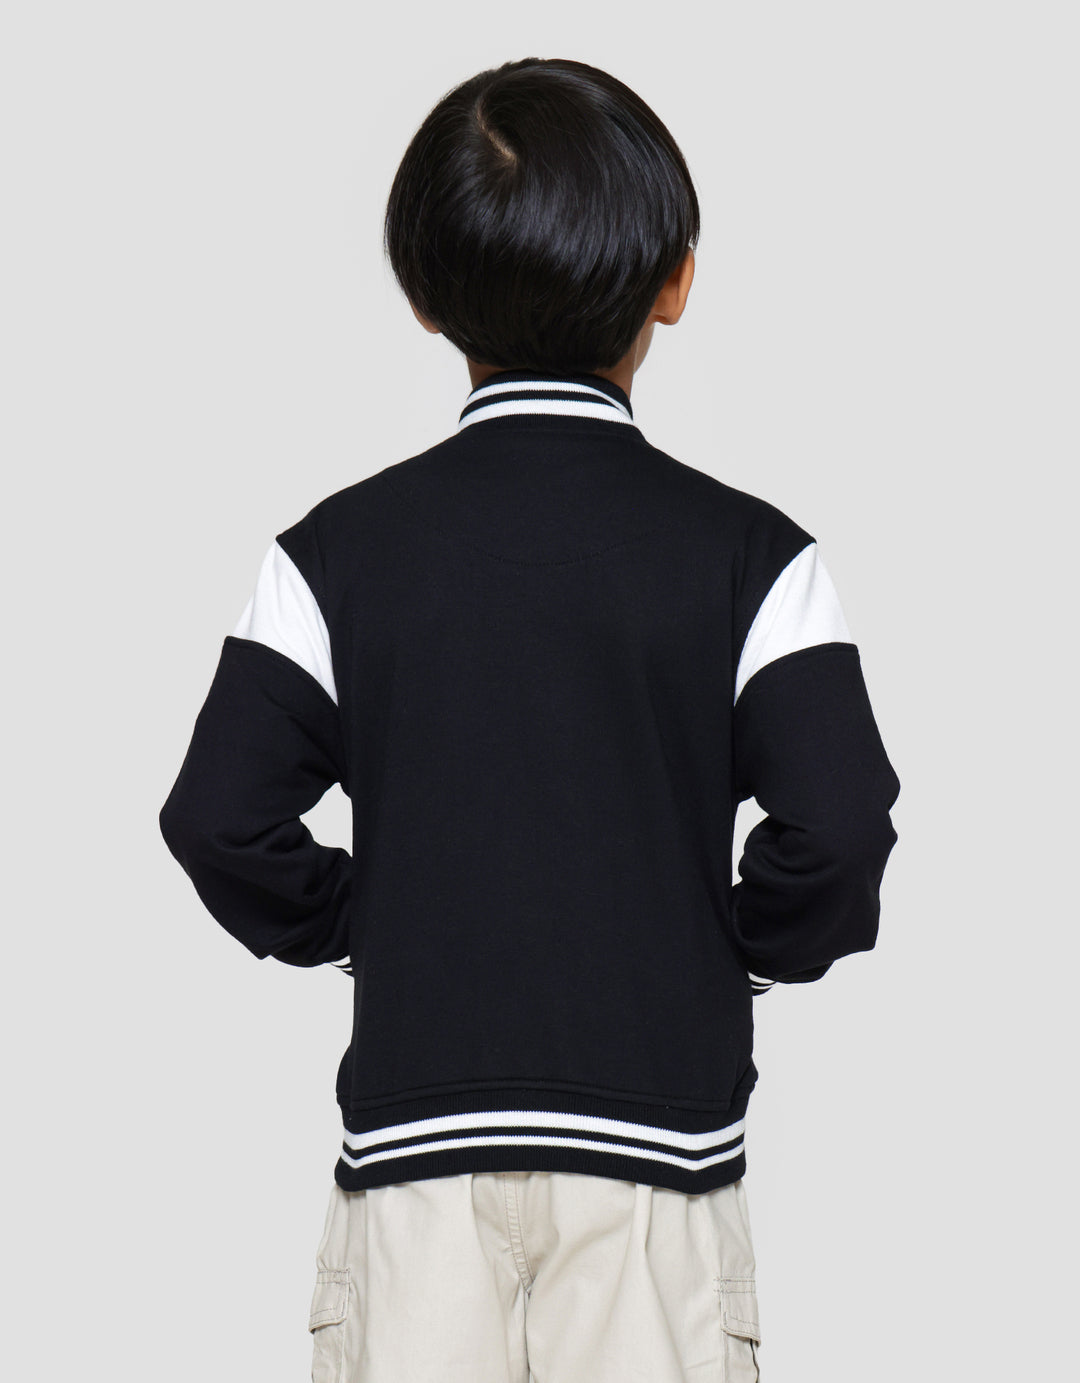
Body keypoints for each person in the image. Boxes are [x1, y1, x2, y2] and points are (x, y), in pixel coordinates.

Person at [159, 55, 900, 1383]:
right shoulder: (754, 560)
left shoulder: (331, 555)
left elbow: (219, 817)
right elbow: (838, 826)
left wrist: (365, 922)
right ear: (675, 281)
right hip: (657, 1167)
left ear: (423, 295)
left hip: (415, 1161)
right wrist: (735, 950)